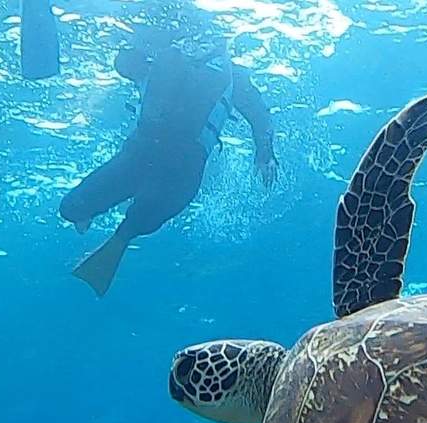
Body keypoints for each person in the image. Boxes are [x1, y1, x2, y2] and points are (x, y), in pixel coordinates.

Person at [61, 31, 277, 297]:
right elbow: (260, 116)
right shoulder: (230, 75)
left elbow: (124, 64)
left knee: (81, 209)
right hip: (172, 158)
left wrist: (133, 46)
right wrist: (264, 154)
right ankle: (119, 234)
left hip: (151, 152)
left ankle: (111, 229)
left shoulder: (168, 57)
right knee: (144, 213)